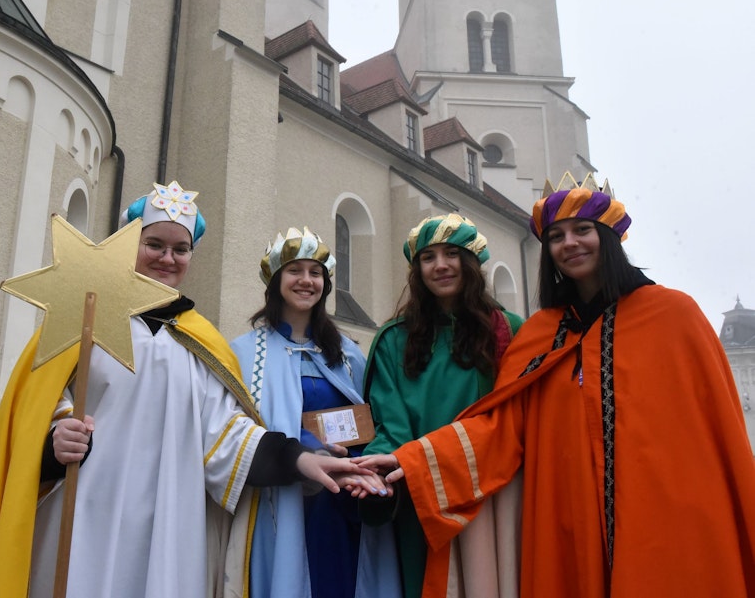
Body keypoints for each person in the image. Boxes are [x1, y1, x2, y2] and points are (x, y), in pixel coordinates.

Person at [0, 182, 374, 598]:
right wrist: (55, 436)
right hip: (86, 511)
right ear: (129, 244)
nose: (167, 258)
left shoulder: (199, 339)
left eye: (180, 249)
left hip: (169, 521)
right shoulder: (82, 320)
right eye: (154, 244)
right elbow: (36, 406)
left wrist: (300, 460)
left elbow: (226, 436)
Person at [357, 173, 755, 597]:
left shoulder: (674, 315)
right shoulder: (541, 333)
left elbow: (721, 432)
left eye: (582, 230)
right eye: (556, 236)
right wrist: (410, 461)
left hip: (666, 514)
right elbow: (503, 426)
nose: (570, 243)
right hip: (568, 522)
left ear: (608, 236)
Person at [359, 213, 524, 598]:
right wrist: (373, 469)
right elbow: (391, 424)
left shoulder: (509, 330)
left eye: (452, 254)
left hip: (491, 490)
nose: (440, 265)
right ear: (417, 270)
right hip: (421, 493)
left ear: (471, 262)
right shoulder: (392, 340)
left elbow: (517, 415)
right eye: (428, 257)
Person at [230, 227, 400, 598]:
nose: (306, 280)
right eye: (295, 270)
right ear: (275, 280)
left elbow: (369, 420)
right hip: (284, 497)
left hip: (343, 500)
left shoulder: (349, 353)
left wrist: (363, 466)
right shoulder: (244, 354)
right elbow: (241, 431)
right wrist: (309, 447)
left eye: (316, 272)